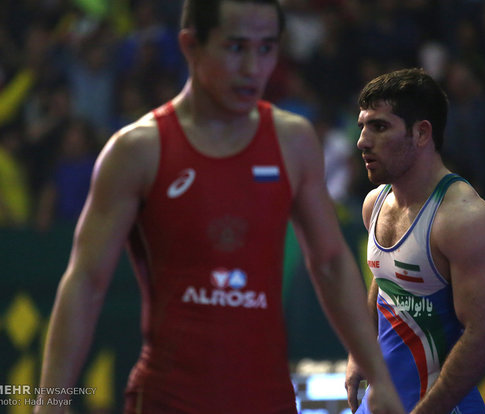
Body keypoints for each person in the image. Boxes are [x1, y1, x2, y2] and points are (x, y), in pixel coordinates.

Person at [36, 1, 404, 413]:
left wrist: (379, 377)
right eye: (235, 47)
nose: (253, 66)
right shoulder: (137, 150)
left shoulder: (293, 142)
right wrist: (50, 400)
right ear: (191, 46)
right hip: (167, 399)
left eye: (266, 48)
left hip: (267, 399)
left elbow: (332, 262)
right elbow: (86, 280)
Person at [345, 68, 485, 414]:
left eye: (380, 126)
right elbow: (383, 280)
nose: (362, 141)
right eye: (362, 126)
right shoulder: (374, 203)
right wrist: (361, 352)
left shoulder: (464, 217)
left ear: (421, 133)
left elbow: (482, 336)